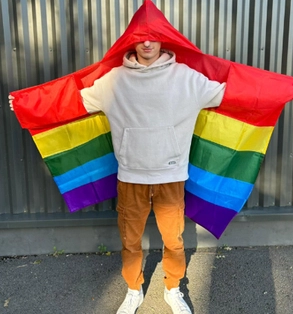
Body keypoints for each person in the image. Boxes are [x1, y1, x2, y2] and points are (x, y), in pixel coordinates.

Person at [9, 39, 225, 314]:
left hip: (170, 176)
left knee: (174, 241)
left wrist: (279, 89)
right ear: (132, 40)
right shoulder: (114, 81)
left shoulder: (186, 78)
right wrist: (27, 104)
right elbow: (73, 101)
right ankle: (134, 290)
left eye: (153, 37)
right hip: (131, 177)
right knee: (130, 242)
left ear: (163, 39)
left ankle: (173, 289)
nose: (147, 43)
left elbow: (228, 93)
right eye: (141, 37)